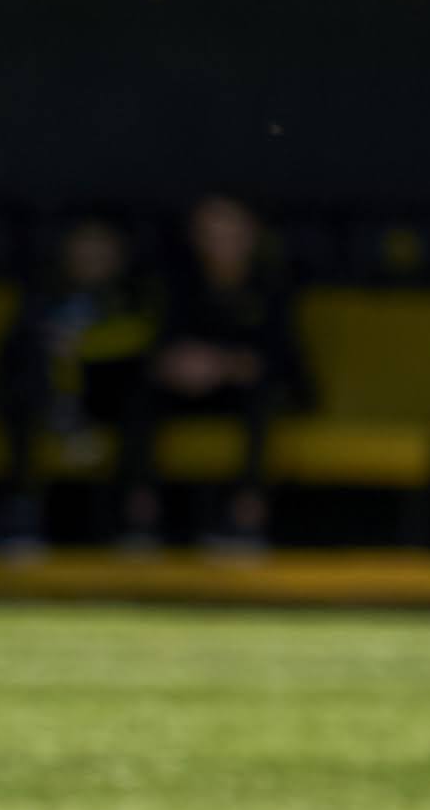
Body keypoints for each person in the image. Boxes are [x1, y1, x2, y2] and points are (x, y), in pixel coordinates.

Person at [120, 193, 302, 555]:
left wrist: (226, 364)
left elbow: (284, 358)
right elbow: (155, 344)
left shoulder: (271, 283)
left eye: (230, 231)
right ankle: (140, 516)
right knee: (140, 394)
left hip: (244, 392)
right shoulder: (178, 281)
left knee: (262, 396)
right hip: (186, 391)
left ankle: (247, 517)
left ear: (251, 234)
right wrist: (176, 364)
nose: (220, 241)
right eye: (210, 232)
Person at [0, 215, 151, 561]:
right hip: (46, 400)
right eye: (84, 245)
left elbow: (141, 341)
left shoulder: (130, 296)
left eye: (101, 247)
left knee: (140, 398)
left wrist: (86, 346)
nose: (91, 255)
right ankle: (22, 510)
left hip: (106, 397)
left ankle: (135, 515)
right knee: (23, 389)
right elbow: (15, 345)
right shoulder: (44, 294)